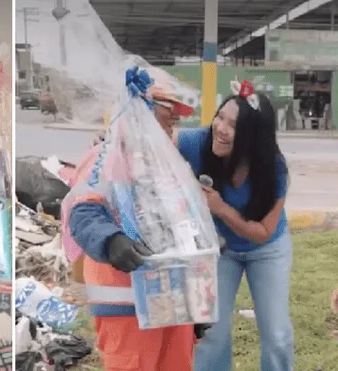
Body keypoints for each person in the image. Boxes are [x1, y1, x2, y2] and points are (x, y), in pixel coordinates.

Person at [64, 84, 201, 371]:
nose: (172, 126)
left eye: (174, 122)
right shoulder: (107, 160)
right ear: (139, 116)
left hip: (174, 304)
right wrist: (112, 241)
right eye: (167, 117)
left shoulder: (169, 165)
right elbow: (84, 213)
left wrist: (198, 301)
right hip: (128, 308)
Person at [180, 85, 293, 371]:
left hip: (267, 250)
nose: (220, 128)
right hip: (220, 250)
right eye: (220, 117)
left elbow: (264, 232)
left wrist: (220, 208)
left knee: (277, 334)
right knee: (209, 331)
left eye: (233, 125)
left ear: (253, 138)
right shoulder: (198, 142)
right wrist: (111, 141)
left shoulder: (274, 170)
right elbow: (153, 143)